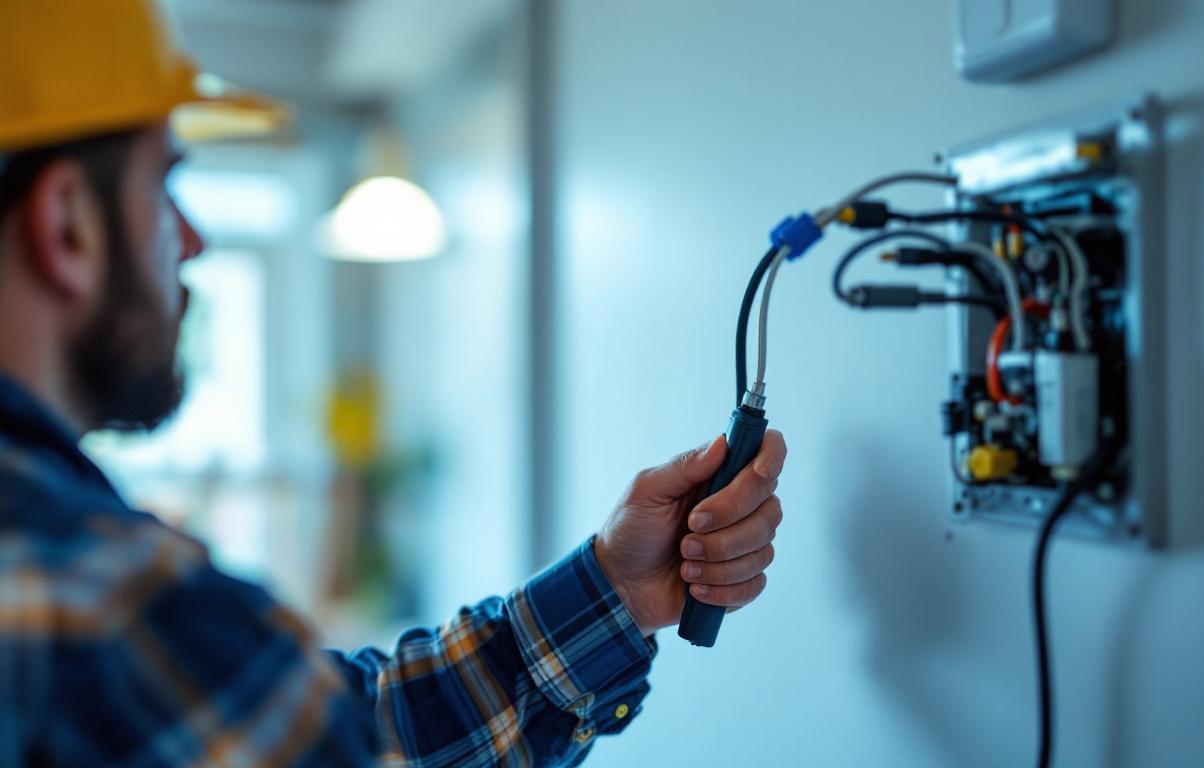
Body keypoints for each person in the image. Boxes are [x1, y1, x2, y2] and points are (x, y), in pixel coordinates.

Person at [0, 2, 786, 765]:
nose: (193, 238)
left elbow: (333, 728)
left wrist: (617, 589)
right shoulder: (102, 606)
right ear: (68, 224)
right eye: (163, 184)